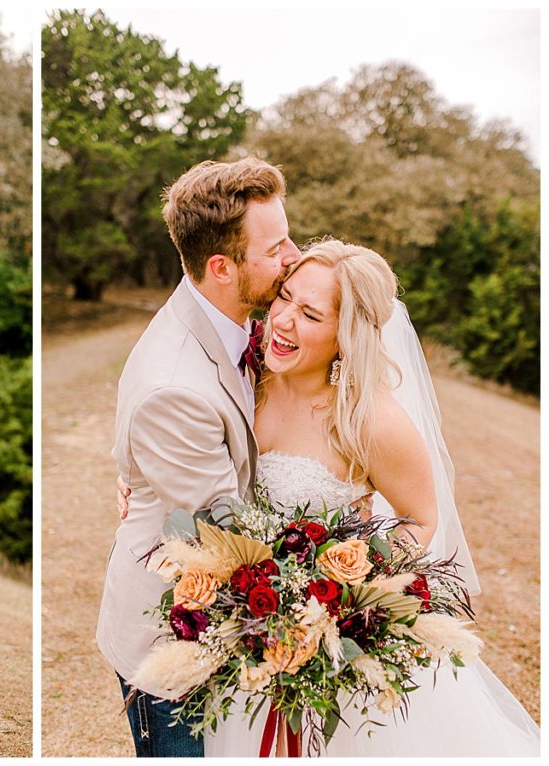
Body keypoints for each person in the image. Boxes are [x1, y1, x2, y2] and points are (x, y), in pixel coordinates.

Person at [119, 240, 541, 756]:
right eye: (285, 297)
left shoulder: (370, 422)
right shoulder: (246, 375)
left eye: (310, 313)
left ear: (346, 335)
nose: (282, 320)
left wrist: (343, 595)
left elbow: (421, 517)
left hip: (324, 657)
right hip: (243, 642)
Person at [95, 157, 300, 756]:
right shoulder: (176, 385)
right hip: (174, 642)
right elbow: (226, 536)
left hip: (225, 622)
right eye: (276, 247)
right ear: (221, 267)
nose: (292, 256)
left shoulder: (238, 325)